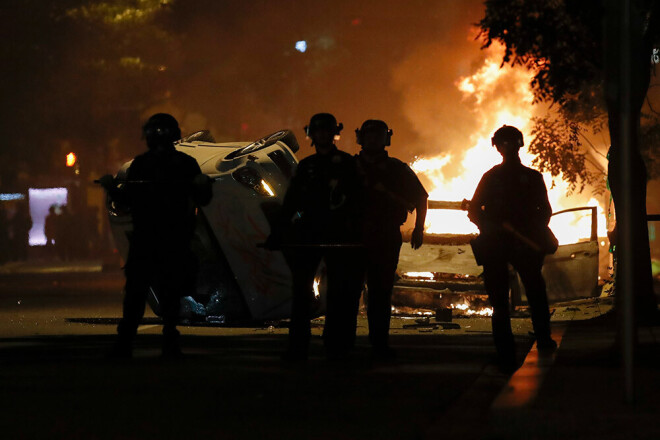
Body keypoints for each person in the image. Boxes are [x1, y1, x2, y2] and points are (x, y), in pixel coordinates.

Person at [99, 113, 212, 358]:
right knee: (159, 293)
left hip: (158, 239)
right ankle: (158, 342)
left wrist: (111, 187)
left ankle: (130, 342)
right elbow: (203, 199)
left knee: (144, 294)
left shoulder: (147, 164)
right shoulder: (179, 163)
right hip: (166, 239)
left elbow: (126, 201)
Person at [264, 112, 364, 361]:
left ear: (334, 132)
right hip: (308, 233)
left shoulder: (347, 163)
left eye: (326, 130)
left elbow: (358, 200)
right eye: (317, 131)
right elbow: (291, 201)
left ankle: (335, 344)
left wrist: (357, 230)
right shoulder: (306, 166)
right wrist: (278, 232)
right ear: (312, 134)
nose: (321, 135)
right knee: (301, 292)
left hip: (338, 233)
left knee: (338, 291)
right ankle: (298, 346)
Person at [468, 125, 557, 374]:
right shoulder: (491, 177)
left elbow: (545, 211)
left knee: (535, 293)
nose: (507, 148)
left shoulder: (530, 177)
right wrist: (490, 228)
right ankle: (507, 353)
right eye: (503, 144)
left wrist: (531, 231)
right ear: (498, 147)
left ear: (519, 145)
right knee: (500, 301)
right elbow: (475, 210)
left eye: (510, 143)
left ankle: (543, 339)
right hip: (498, 244)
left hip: (524, 244)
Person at [354, 119, 428, 359]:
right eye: (369, 135)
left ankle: (379, 343)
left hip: (385, 235)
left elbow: (421, 198)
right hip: (353, 235)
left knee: (380, 292)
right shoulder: (349, 166)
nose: (373, 139)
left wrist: (419, 229)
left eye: (378, 135)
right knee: (348, 291)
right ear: (361, 138)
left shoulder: (397, 168)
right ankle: (343, 341)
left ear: (386, 138)